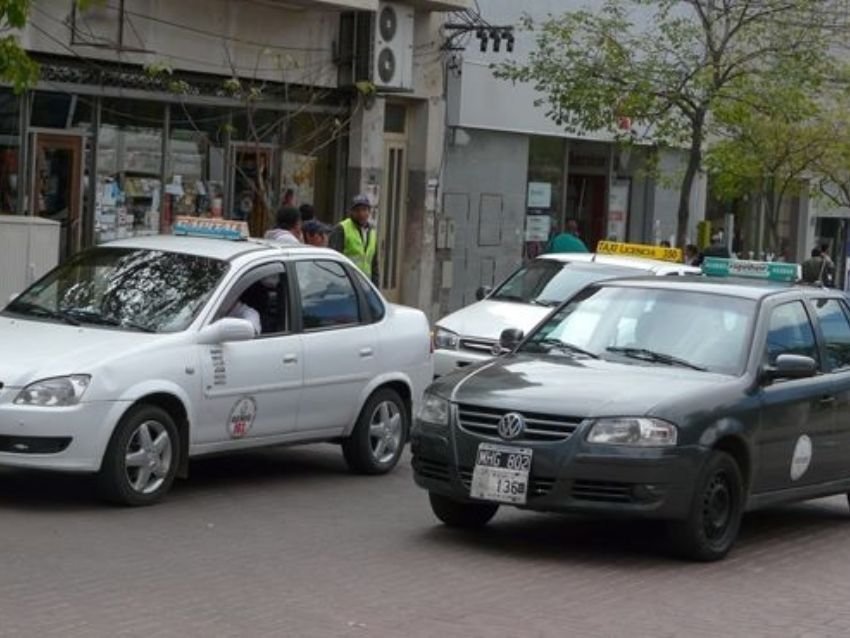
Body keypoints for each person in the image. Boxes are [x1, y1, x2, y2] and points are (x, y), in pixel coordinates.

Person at [329, 194, 380, 285]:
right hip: (345, 285)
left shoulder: (372, 232)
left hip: (364, 286)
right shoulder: (342, 228)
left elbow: (374, 265)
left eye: (364, 210)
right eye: (357, 210)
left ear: (369, 211)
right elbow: (333, 261)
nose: (361, 214)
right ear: (351, 212)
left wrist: (375, 287)